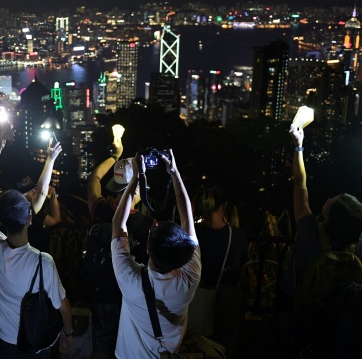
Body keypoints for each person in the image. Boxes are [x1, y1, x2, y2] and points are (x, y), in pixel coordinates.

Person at [0, 122, 74, 357]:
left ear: (0, 220)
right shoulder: (43, 262)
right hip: (34, 344)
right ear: (30, 219)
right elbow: (62, 306)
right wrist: (69, 332)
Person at [111, 152, 200, 359]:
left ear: (148, 250)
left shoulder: (129, 279)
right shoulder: (190, 278)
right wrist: (174, 172)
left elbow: (117, 224)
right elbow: (188, 221)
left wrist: (135, 177)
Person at [85, 136, 152, 359]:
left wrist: (115, 154)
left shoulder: (100, 209)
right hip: (129, 298)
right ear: (138, 190)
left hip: (100, 292)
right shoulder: (146, 226)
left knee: (101, 347)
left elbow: (94, 178)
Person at [289, 125, 362, 290]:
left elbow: (299, 183)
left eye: (332, 201)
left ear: (330, 217)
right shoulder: (360, 242)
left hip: (304, 305)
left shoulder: (310, 233)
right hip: (339, 310)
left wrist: (298, 146)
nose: (329, 198)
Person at [192, 184, 248, 358]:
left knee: (198, 344)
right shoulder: (238, 236)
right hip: (228, 300)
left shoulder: (194, 234)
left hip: (199, 296)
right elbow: (242, 268)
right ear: (224, 206)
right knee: (225, 346)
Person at [24, 140, 63, 254]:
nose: (35, 192)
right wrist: (50, 159)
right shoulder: (30, 212)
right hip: (36, 256)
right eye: (31, 191)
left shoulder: (34, 212)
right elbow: (41, 192)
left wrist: (52, 195)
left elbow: (55, 220)